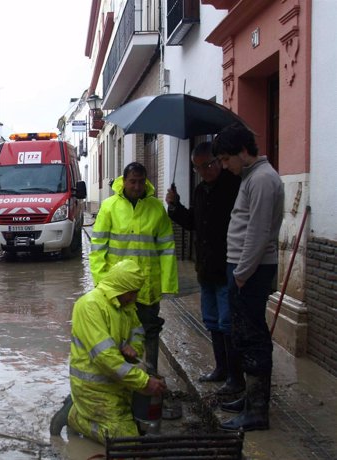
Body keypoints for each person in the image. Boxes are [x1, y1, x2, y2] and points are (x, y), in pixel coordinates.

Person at [211, 122, 284, 432]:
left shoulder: (264, 180)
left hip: (250, 271)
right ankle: (249, 399)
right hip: (243, 269)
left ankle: (257, 410)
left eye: (227, 159)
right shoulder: (251, 177)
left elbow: (257, 232)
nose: (224, 166)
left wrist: (241, 273)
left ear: (243, 151)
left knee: (253, 337)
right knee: (243, 333)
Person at [49, 260, 167, 441]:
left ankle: (83, 412)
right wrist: (144, 382)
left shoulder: (126, 305)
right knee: (125, 441)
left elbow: (137, 333)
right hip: (94, 388)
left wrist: (132, 349)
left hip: (118, 382)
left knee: (135, 426)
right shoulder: (89, 306)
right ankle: (74, 416)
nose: (135, 297)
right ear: (120, 288)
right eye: (132, 293)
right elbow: (105, 357)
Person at [166, 142, 244, 395]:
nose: (204, 171)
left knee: (227, 322)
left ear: (218, 161)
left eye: (208, 165)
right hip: (205, 268)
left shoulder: (234, 186)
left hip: (228, 266)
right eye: (198, 167)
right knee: (211, 321)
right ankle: (221, 368)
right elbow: (193, 224)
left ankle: (235, 377)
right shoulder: (200, 190)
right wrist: (175, 206)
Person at [89, 162, 178, 373]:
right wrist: (102, 284)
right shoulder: (109, 207)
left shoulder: (156, 208)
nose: (137, 187)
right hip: (118, 289)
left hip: (148, 287)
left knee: (150, 331)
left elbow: (167, 249)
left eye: (140, 182)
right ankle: (124, 378)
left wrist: (168, 285)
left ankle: (151, 376)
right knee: (119, 334)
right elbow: (98, 248)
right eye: (132, 182)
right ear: (124, 181)